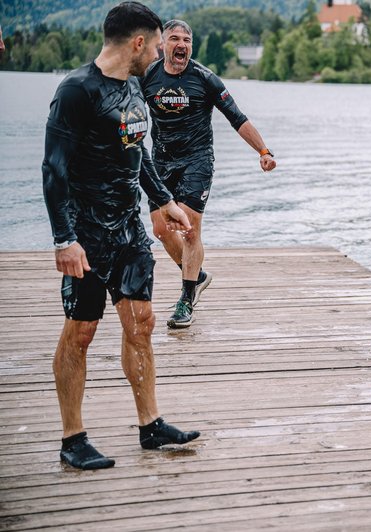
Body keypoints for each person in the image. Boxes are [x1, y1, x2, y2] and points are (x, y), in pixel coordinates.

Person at [42, 1, 200, 470]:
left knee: (142, 323)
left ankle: (150, 425)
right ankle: (73, 438)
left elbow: (139, 151)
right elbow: (53, 170)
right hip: (86, 234)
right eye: (154, 44)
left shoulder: (132, 87)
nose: (157, 53)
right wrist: (62, 239)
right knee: (82, 331)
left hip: (128, 230)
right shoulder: (75, 91)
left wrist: (162, 200)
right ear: (137, 42)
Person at [141, 19, 277, 329]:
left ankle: (186, 298)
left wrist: (263, 151)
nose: (182, 45)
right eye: (175, 38)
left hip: (197, 161)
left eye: (187, 40)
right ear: (162, 45)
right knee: (161, 230)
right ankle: (197, 276)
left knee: (189, 227)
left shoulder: (205, 78)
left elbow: (237, 118)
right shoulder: (147, 76)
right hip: (161, 162)